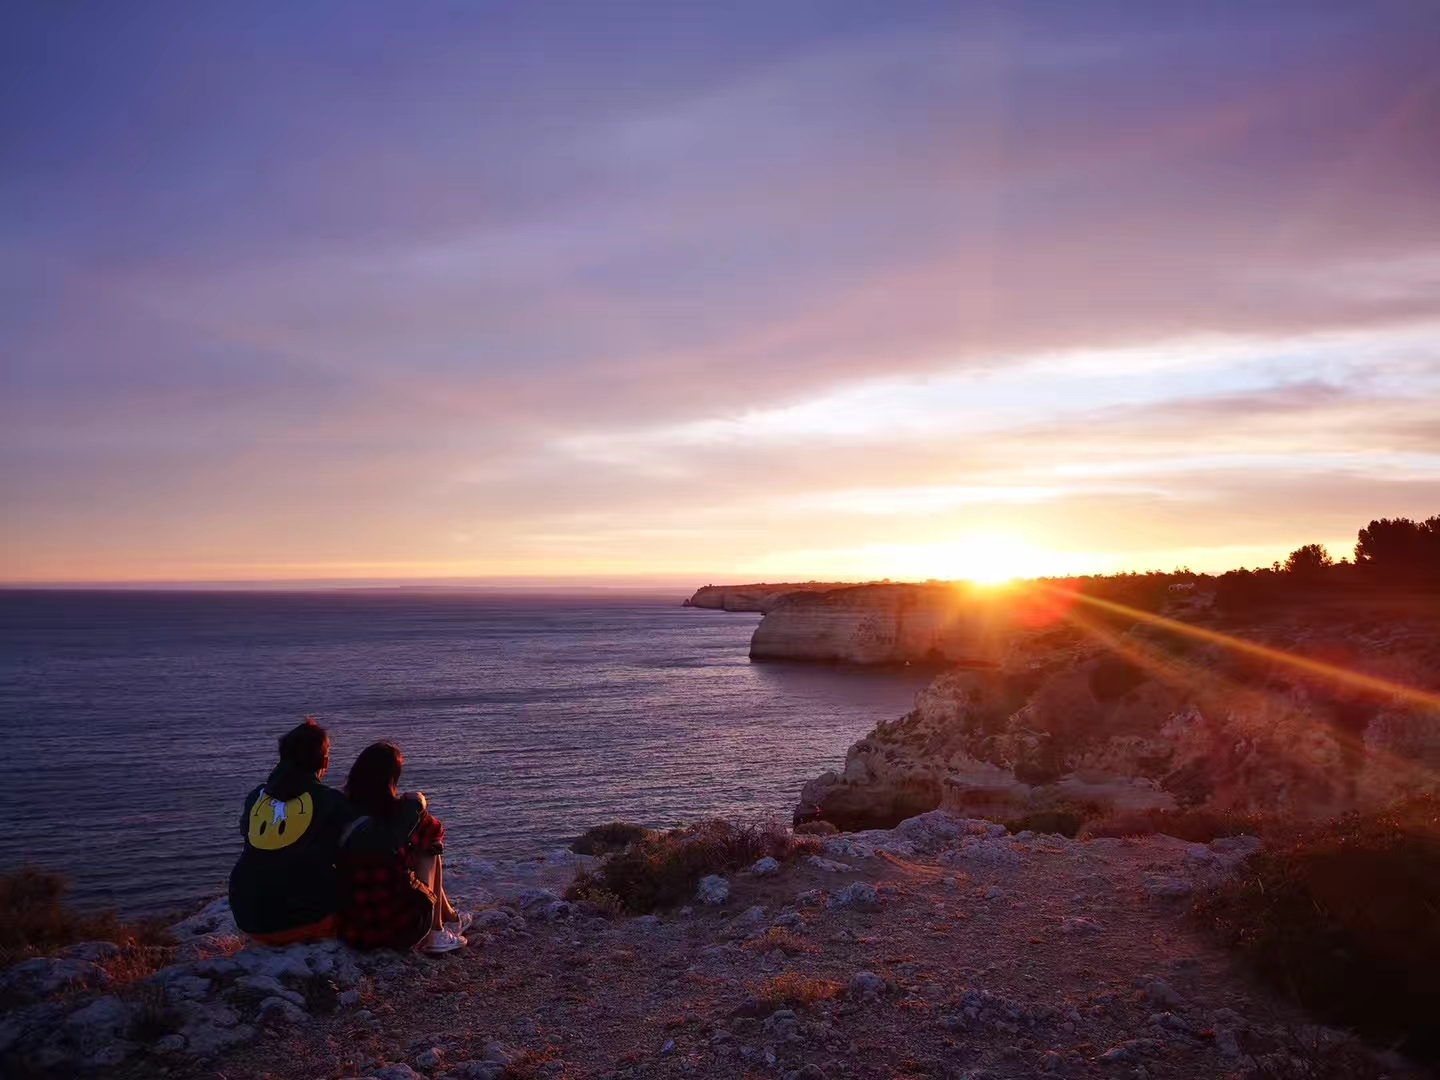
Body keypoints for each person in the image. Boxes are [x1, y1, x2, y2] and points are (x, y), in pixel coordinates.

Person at [229, 718, 356, 944]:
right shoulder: (332, 801)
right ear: (324, 761)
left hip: (247, 917)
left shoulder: (255, 798)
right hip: (302, 920)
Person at [336, 741, 470, 953]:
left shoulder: (341, 810)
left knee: (417, 849)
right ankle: (435, 932)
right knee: (430, 843)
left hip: (355, 926)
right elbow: (436, 832)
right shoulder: (399, 813)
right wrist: (418, 803)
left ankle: (449, 915)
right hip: (399, 927)